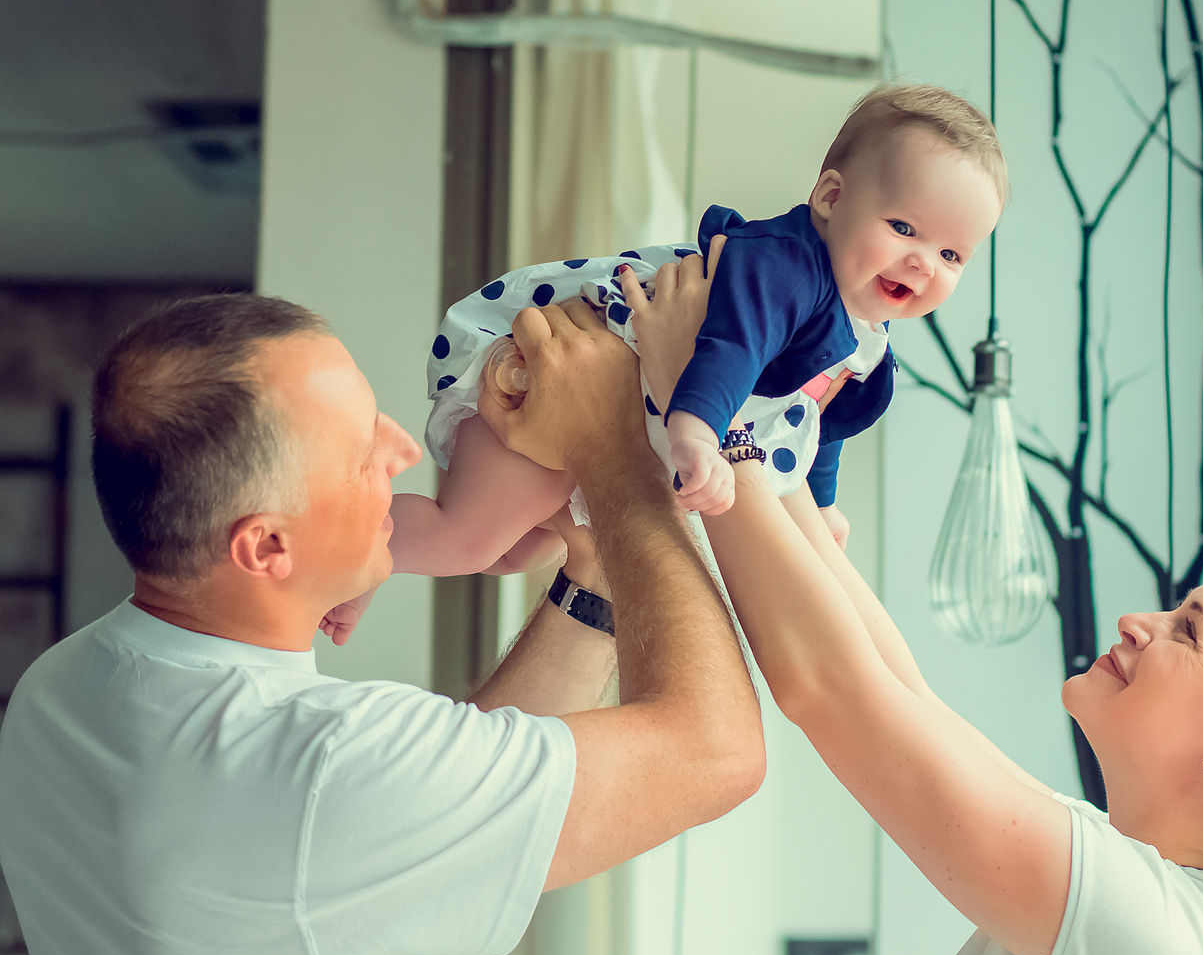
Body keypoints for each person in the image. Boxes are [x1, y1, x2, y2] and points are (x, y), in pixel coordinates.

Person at [618, 253, 1203, 955]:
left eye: (1189, 631)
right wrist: (770, 415)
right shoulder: (1149, 896)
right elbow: (901, 691)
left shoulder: (1153, 940)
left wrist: (697, 406)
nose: (1138, 621)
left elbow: (836, 693)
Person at [0, 288, 764, 955]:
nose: (402, 449)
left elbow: (437, 829)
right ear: (266, 548)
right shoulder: (322, 772)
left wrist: (596, 571)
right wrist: (613, 456)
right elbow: (714, 752)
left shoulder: (57, 695)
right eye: (363, 454)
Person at [321, 83, 1008, 640]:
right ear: (830, 198)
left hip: (603, 412)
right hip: (551, 361)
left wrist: (822, 505)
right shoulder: (784, 270)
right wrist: (696, 434)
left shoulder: (865, 336)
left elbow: (812, 423)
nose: (923, 263)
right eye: (903, 228)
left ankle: (381, 551)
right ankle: (343, 553)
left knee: (516, 551)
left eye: (951, 256)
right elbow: (728, 351)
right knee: (468, 541)